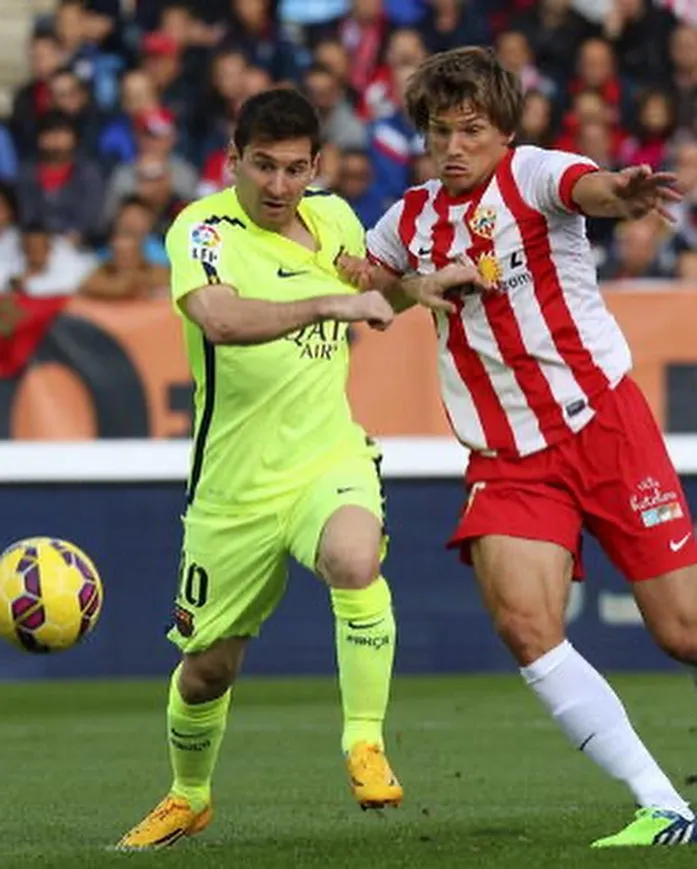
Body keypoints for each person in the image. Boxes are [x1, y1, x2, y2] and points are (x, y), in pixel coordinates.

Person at [341, 46, 697, 848]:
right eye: (441, 132)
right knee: (525, 624)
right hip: (506, 459)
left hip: (603, 427)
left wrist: (624, 191)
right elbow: (365, 291)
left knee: (683, 633)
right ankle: (663, 803)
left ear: (504, 130)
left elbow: (592, 188)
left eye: (472, 129)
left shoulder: (534, 174)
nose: (456, 146)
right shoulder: (406, 222)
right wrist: (383, 281)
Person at [116, 87, 402, 851]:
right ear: (232, 160)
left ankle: (364, 742)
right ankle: (188, 795)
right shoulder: (201, 229)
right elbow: (218, 317)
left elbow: (373, 294)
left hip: (326, 455)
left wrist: (420, 291)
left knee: (354, 554)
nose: (278, 187)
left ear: (317, 165)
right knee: (206, 670)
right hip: (234, 487)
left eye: (294, 170)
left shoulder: (336, 218)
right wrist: (326, 306)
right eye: (263, 167)